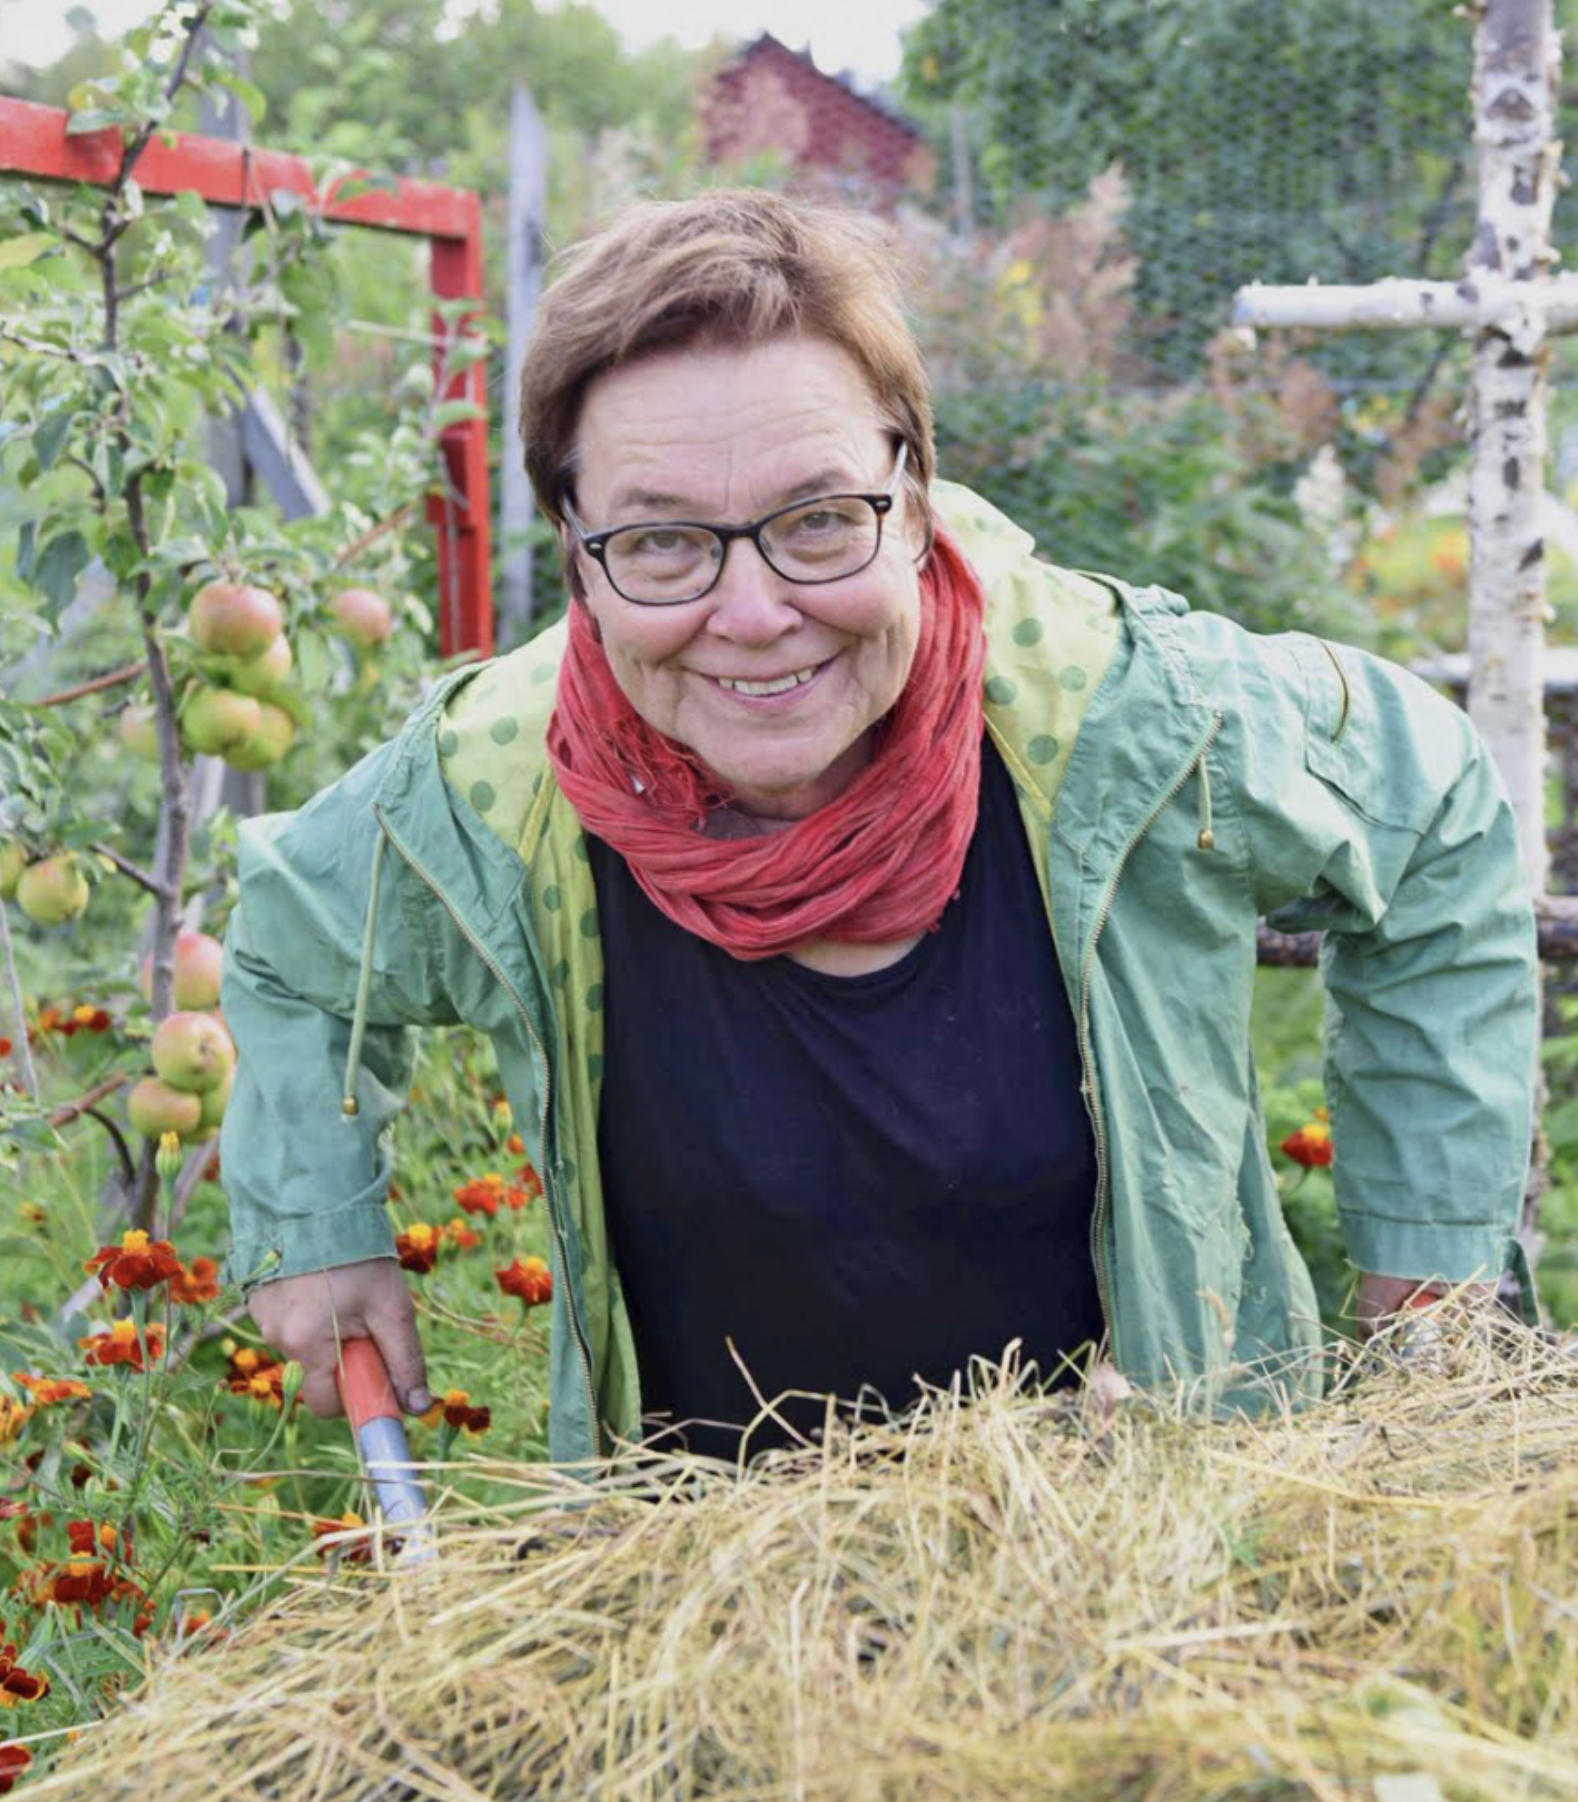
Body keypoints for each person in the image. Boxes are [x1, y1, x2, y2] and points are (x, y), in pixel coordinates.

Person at [222, 189, 1537, 1467]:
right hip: (699, 1631)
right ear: (576, 552)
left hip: (1158, 1608)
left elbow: (1426, 807)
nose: (751, 612)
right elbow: (291, 938)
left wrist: (1424, 1270)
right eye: (665, 544)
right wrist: (312, 1219)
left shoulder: (1130, 719)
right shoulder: (498, 790)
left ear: (910, 502)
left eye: (815, 520)